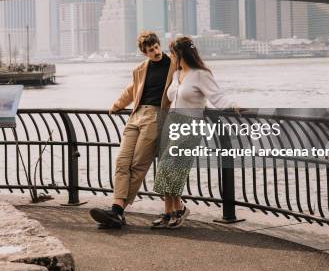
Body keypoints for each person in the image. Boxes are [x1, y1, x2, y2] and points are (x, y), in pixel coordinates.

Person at [151, 36, 238, 230]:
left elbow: (218, 96)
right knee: (166, 169)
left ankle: (177, 210)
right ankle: (170, 211)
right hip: (172, 124)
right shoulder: (177, 74)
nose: (170, 56)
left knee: (171, 168)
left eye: (172, 53)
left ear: (179, 54)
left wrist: (233, 106)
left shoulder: (201, 74)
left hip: (190, 125)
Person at [90, 31, 175, 229]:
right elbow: (132, 90)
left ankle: (117, 210)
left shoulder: (173, 65)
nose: (155, 52)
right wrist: (117, 105)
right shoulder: (140, 69)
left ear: (159, 44)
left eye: (156, 47)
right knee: (122, 162)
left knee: (138, 165)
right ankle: (117, 212)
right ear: (144, 53)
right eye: (150, 50)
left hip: (155, 117)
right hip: (136, 116)